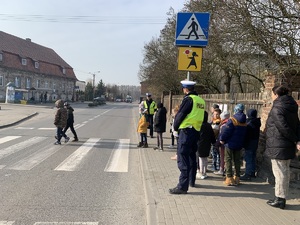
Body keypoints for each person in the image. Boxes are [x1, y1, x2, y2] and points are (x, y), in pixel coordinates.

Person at [265, 85, 300, 209]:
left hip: (278, 144)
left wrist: (295, 139)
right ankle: (281, 197)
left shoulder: (277, 107)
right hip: (287, 145)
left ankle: (280, 199)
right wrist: (296, 140)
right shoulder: (292, 106)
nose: (271, 96)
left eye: (272, 94)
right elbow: (297, 124)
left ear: (276, 94)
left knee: (280, 173)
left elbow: (283, 127)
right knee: (285, 172)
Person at [169, 80, 205, 194]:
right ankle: (191, 181)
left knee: (182, 157)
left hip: (186, 131)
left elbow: (181, 114)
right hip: (196, 131)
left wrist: (175, 126)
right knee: (191, 157)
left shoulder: (188, 99)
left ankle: (182, 187)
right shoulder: (201, 101)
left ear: (185, 89)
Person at [220, 103, 247, 186]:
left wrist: (222, 139)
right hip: (239, 144)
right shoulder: (245, 120)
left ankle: (229, 178)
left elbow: (226, 131)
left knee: (228, 160)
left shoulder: (232, 120)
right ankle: (237, 178)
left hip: (230, 143)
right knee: (237, 160)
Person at [240, 109, 261, 181]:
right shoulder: (256, 122)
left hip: (249, 143)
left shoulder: (250, 123)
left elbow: (246, 134)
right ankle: (252, 172)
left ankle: (247, 174)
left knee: (248, 158)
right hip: (255, 142)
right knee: (252, 158)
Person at [197, 111, 216, 179]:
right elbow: (212, 135)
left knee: (201, 158)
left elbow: (197, 135)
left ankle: (202, 172)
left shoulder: (199, 125)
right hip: (207, 144)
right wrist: (213, 142)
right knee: (205, 158)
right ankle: (204, 171)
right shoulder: (208, 125)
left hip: (200, 144)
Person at [214, 110, 230, 176]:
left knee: (223, 157)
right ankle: (226, 170)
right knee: (227, 158)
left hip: (223, 143)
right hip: (228, 143)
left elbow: (221, 135)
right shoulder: (230, 123)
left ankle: (222, 169)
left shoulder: (223, 125)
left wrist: (218, 143)